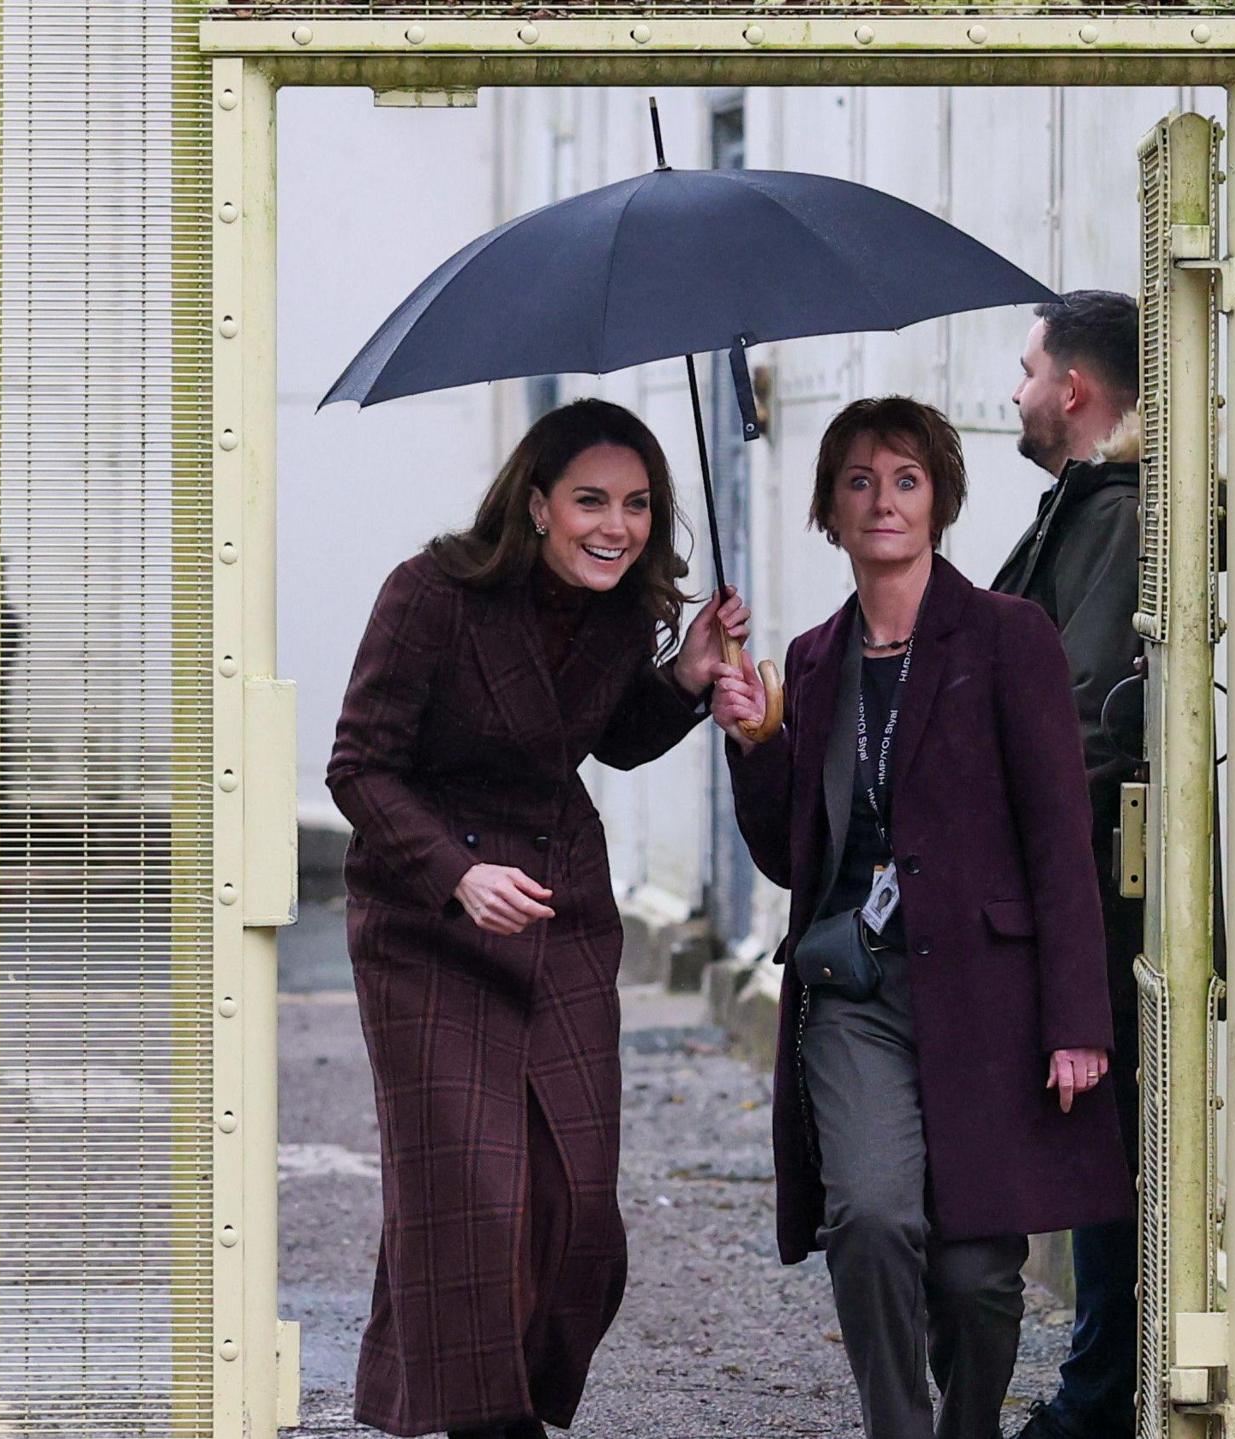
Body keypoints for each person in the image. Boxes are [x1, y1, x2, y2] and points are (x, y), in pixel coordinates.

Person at [712, 396, 1129, 1439]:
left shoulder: (1006, 637)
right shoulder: (811, 660)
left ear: (938, 497)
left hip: (989, 992)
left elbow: (1057, 834)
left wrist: (1077, 1016)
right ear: (829, 511)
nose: (882, 499)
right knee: (869, 1214)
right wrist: (758, 741)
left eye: (903, 477)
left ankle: (966, 1426)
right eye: (857, 480)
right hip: (856, 989)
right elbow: (788, 855)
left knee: (979, 1274)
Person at [328, 398, 731, 1439]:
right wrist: (457, 874)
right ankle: (484, 1419)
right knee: (472, 1194)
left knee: (574, 1208)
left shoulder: (617, 607)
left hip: (560, 913)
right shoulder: (432, 593)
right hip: (427, 926)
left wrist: (685, 674)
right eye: (591, 499)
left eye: (638, 504)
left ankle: (488, 1382)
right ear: (538, 504)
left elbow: (608, 737)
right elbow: (358, 765)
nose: (618, 524)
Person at [997, 290, 1146, 1439]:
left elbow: (1085, 714)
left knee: (1110, 1146)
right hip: (1089, 886)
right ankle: (1101, 1388)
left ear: (1074, 389)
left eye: (1027, 367)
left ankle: (1099, 1399)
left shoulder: (1116, 512)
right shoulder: (1089, 507)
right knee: (1107, 1143)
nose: (1016, 388)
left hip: (1100, 894)